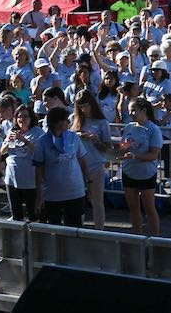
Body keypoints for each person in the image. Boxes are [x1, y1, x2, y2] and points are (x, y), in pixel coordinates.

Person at [32, 107, 92, 226]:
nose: (68, 123)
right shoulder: (42, 141)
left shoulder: (73, 137)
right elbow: (39, 169)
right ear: (56, 122)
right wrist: (39, 196)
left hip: (75, 191)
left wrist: (89, 182)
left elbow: (83, 161)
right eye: (65, 120)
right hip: (52, 194)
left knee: (75, 228)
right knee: (54, 229)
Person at [120, 98, 163, 235]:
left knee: (149, 208)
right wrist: (122, 149)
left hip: (146, 173)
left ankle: (156, 239)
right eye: (130, 110)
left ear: (144, 111)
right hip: (129, 172)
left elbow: (153, 155)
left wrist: (135, 156)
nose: (131, 113)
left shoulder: (153, 129)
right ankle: (137, 238)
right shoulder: (128, 127)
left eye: (134, 110)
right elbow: (122, 148)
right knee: (133, 208)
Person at [71, 90, 111, 229]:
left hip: (95, 164)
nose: (83, 109)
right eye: (80, 106)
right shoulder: (74, 120)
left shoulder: (102, 122)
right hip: (77, 165)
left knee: (97, 200)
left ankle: (99, 230)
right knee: (77, 199)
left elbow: (107, 147)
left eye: (86, 105)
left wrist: (96, 140)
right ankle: (78, 228)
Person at [0, 105, 42, 220]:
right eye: (18, 116)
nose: (21, 119)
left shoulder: (37, 132)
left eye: (25, 116)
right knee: (16, 213)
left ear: (31, 118)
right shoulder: (12, 131)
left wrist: (23, 139)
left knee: (32, 213)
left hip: (29, 178)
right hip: (12, 177)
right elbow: (2, 152)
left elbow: (38, 152)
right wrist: (9, 142)